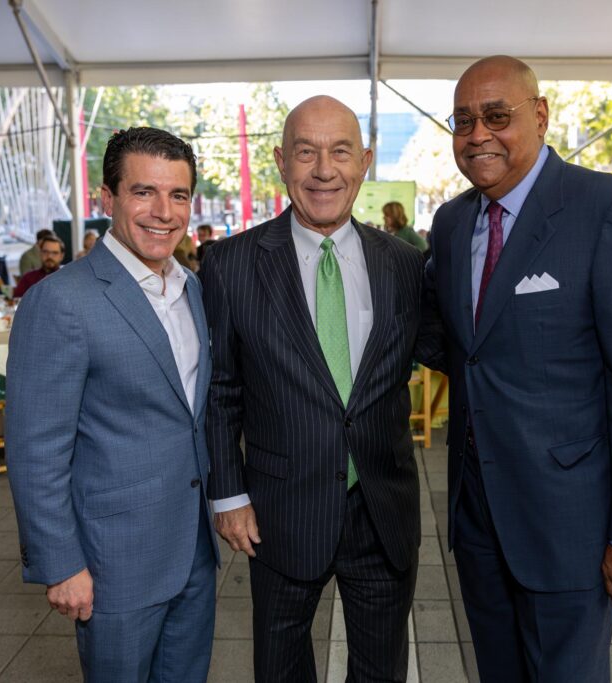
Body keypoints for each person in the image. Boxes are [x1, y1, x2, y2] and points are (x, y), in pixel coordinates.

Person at [426, 56, 612, 681]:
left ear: (540, 115)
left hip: (570, 523)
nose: (477, 134)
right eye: (463, 121)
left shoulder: (611, 210)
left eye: (496, 116)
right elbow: (453, 346)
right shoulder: (453, 223)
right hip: (478, 517)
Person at [201, 95, 442, 682]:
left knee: (382, 671)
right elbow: (219, 389)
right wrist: (228, 495)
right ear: (282, 161)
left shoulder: (406, 266)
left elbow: (457, 353)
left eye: (339, 152)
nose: (323, 170)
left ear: (364, 160)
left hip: (382, 509)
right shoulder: (229, 264)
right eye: (306, 152)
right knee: (280, 670)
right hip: (281, 514)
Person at [6, 127, 217, 683]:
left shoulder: (191, 288)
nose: (164, 212)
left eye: (178, 195)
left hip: (192, 549)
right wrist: (61, 564)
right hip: (112, 561)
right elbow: (35, 450)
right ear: (108, 199)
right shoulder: (60, 301)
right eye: (144, 192)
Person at [12, 234, 65, 299]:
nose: (49, 256)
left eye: (54, 253)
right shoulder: (28, 278)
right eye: (45, 252)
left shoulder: (67, 280)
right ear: (40, 253)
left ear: (61, 256)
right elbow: (17, 302)